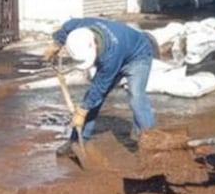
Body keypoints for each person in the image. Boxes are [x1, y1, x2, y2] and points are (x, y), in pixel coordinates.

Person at [44, 18, 156, 155]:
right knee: (93, 100)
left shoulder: (110, 55)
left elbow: (99, 88)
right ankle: (77, 140)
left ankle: (149, 140)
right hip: (122, 49)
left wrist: (81, 112)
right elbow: (68, 26)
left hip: (138, 55)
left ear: (95, 46)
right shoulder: (82, 28)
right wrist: (57, 42)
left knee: (136, 97)